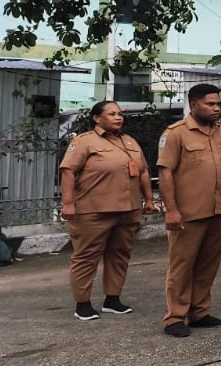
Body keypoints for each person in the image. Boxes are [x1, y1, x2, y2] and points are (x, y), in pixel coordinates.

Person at [60, 100, 153, 321]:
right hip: (94, 210)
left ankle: (113, 299)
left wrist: (149, 199)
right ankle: (82, 303)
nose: (118, 117)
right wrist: (68, 203)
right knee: (86, 256)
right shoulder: (84, 142)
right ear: (97, 118)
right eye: (111, 114)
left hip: (127, 209)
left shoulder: (129, 141)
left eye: (120, 114)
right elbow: (68, 172)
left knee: (119, 255)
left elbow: (143, 172)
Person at [157, 84, 221, 337]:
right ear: (193, 104)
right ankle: (175, 316)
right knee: (182, 265)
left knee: (208, 264)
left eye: (218, 104)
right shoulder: (176, 133)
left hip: (218, 209)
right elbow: (165, 172)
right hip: (188, 212)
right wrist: (171, 210)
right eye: (210, 104)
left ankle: (199, 311)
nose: (216, 109)